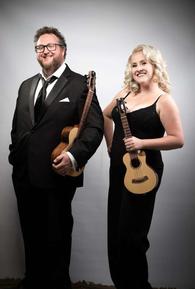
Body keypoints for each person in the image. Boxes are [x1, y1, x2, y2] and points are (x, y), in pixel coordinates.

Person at [8, 26, 104, 289]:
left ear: (63, 49)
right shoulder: (26, 85)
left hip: (57, 173)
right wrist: (14, 154)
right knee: (30, 231)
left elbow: (95, 128)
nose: (45, 51)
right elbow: (19, 126)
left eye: (51, 45)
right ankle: (33, 280)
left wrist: (74, 157)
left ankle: (58, 283)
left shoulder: (81, 84)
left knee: (57, 234)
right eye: (40, 47)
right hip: (24, 173)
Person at [103, 44, 184, 289]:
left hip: (144, 173)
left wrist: (142, 142)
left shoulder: (164, 100)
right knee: (115, 234)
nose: (138, 68)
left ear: (155, 66)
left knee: (132, 237)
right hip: (118, 170)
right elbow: (106, 116)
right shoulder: (125, 93)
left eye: (144, 63)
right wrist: (110, 147)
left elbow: (177, 139)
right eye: (134, 64)